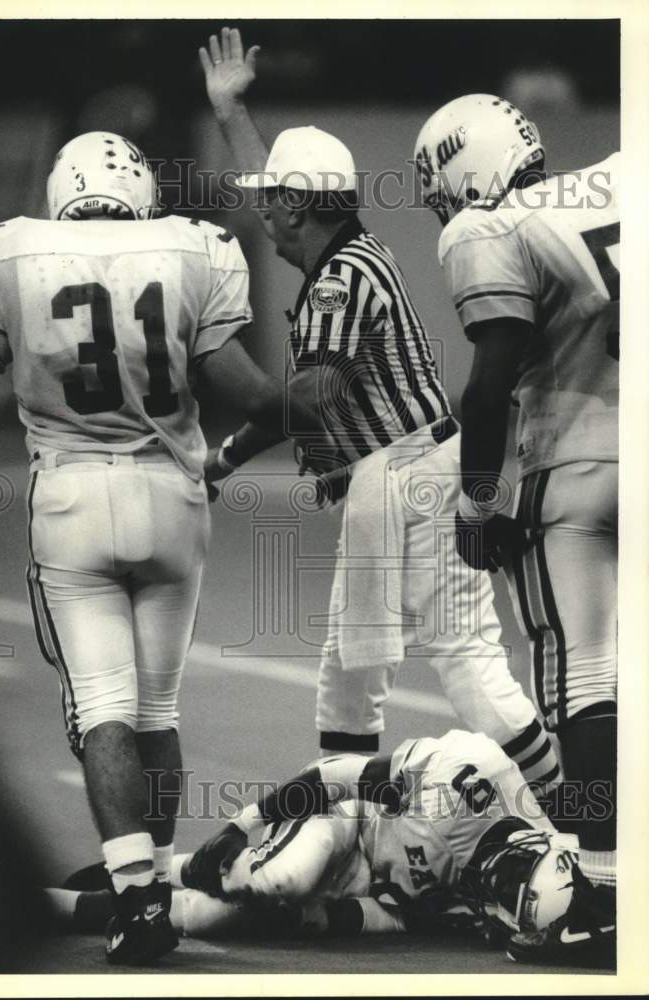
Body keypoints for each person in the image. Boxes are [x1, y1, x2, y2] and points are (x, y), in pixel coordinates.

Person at [0, 131, 320, 965]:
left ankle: (135, 897)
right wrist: (291, 403)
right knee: (156, 710)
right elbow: (252, 395)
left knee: (103, 709)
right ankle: (152, 879)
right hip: (173, 497)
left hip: (73, 498)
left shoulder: (9, 249)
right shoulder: (191, 247)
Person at [197, 28, 560, 790]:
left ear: (299, 208)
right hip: (399, 475)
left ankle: (573, 806)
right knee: (352, 671)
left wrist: (209, 366)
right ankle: (350, 829)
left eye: (273, 202)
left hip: (400, 476)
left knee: (457, 664)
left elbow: (308, 399)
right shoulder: (348, 255)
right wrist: (231, 109)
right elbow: (305, 402)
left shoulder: (337, 281)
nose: (261, 211)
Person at [413, 93, 618, 963]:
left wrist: (475, 502)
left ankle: (598, 888)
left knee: (585, 683)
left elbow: (488, 381)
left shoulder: (489, 228)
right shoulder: (619, 182)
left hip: (572, 469)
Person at [44, 728, 596, 966]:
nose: (498, 882)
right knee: (280, 883)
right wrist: (243, 823)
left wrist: (329, 920)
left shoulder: (516, 915)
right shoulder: (469, 779)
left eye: (507, 894)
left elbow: (411, 918)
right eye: (512, 873)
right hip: (351, 822)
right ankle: (171, 873)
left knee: (230, 921)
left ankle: (57, 905)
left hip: (390, 903)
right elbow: (336, 775)